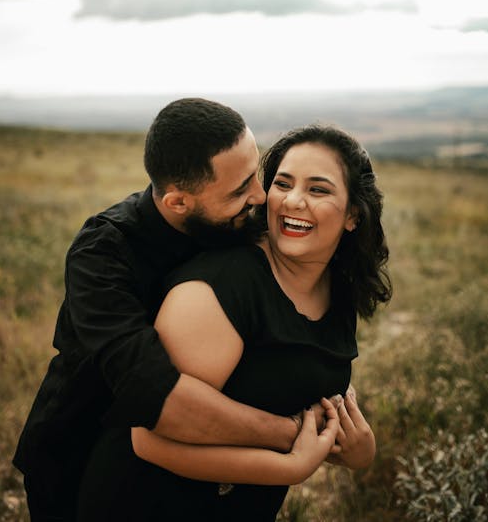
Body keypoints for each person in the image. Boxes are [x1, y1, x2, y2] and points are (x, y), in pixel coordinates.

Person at [14, 98, 324, 522]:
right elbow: (155, 394)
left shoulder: (240, 220)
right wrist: (292, 435)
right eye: (238, 190)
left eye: (257, 173)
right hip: (79, 455)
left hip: (199, 470)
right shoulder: (102, 254)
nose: (259, 195)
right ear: (178, 203)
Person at [75, 124, 391, 522]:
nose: (293, 200)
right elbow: (148, 440)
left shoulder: (338, 286)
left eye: (318, 189)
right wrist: (291, 464)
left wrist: (358, 448)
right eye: (283, 183)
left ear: (353, 215)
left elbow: (298, 373)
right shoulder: (221, 287)